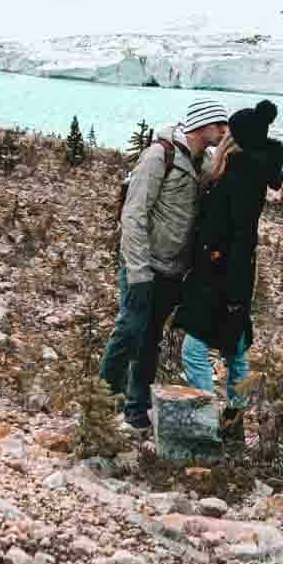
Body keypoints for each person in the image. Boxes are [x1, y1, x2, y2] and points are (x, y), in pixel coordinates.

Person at [98, 98, 230, 432]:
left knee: (150, 339)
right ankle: (97, 401)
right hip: (144, 265)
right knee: (129, 330)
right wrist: (138, 271)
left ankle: (136, 410)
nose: (224, 131)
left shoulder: (204, 161)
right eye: (219, 126)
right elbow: (134, 212)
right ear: (202, 125)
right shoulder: (159, 155)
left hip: (174, 270)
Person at [175, 98, 283, 441]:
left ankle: (208, 423)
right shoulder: (249, 173)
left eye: (228, 133)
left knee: (195, 351)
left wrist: (228, 283)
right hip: (232, 275)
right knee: (236, 349)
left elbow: (238, 237)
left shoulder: (237, 176)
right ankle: (233, 421)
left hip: (219, 276)